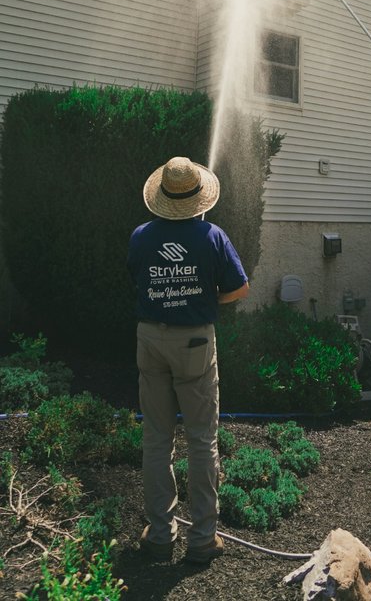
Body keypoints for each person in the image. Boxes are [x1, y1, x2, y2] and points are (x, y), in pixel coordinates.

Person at [127, 156, 249, 564]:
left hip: (150, 339)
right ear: (200, 197)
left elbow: (138, 280)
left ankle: (160, 536)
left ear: (161, 197)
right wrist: (204, 297)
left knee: (156, 438)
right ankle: (202, 540)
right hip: (195, 342)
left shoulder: (141, 236)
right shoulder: (212, 235)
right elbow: (239, 289)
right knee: (201, 439)